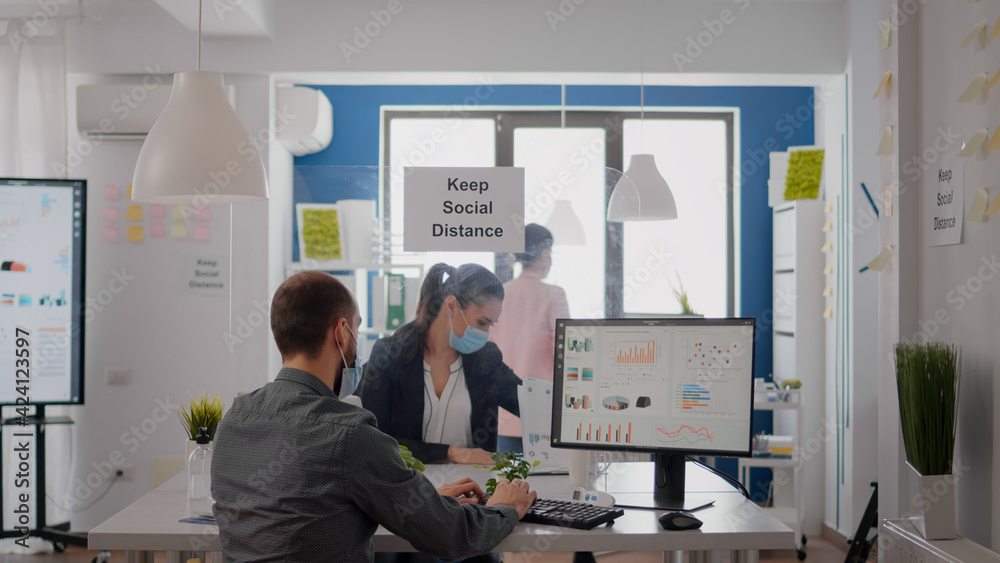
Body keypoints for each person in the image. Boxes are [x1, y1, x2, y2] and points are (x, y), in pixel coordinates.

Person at [211, 271, 536, 562]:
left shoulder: (232, 422)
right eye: (356, 330)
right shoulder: (349, 433)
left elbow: (309, 507)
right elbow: (452, 536)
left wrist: (415, 499)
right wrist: (503, 507)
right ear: (341, 333)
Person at [358, 263, 520, 466]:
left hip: (473, 489)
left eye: (490, 324)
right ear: (451, 305)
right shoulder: (390, 355)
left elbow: (528, 403)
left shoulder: (486, 359)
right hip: (407, 487)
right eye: (482, 322)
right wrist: (451, 453)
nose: (486, 333)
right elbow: (372, 440)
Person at [491, 224, 570, 453]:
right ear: (545, 255)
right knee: (547, 485)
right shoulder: (554, 294)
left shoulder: (500, 293)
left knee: (507, 482)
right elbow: (565, 352)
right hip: (542, 411)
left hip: (504, 412)